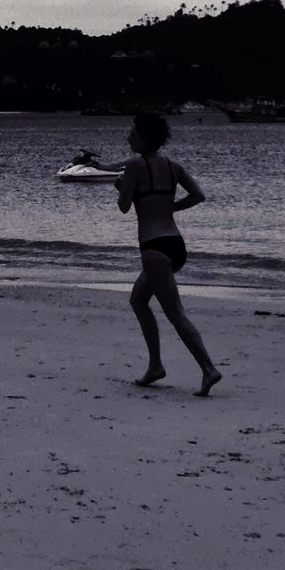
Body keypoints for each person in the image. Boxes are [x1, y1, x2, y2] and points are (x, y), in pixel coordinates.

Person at [114, 112, 221, 396]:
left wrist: (122, 188)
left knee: (175, 314)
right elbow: (198, 195)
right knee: (138, 300)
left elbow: (124, 206)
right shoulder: (174, 166)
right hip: (175, 244)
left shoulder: (135, 165)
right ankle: (155, 366)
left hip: (154, 248)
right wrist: (169, 207)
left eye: (133, 133)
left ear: (145, 138)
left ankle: (208, 369)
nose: (128, 137)